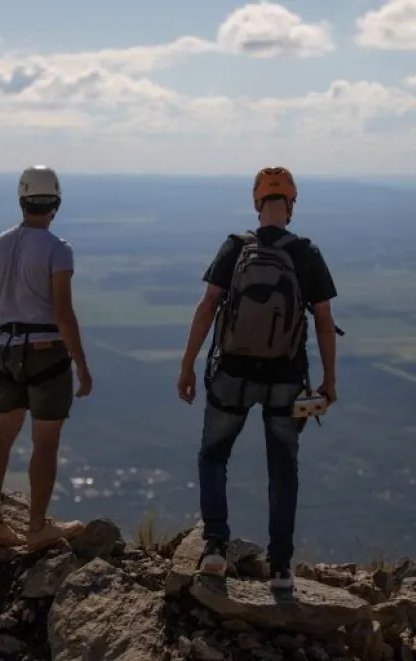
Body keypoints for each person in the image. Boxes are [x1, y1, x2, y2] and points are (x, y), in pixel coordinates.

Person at [176, 165, 339, 589]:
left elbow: (208, 305)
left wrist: (188, 363)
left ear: (256, 201)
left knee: (214, 455)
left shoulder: (235, 246)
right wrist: (329, 379)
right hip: (286, 378)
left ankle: (214, 547)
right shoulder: (305, 252)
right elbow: (323, 320)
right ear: (292, 203)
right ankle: (281, 567)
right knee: (282, 467)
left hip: (232, 372)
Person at [0, 165, 93, 552]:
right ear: (56, 202)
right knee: (45, 443)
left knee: (2, 435)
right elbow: (63, 312)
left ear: (22, 200)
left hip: (5, 349)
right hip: (46, 354)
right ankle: (38, 527)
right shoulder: (59, 249)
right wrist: (82, 365)